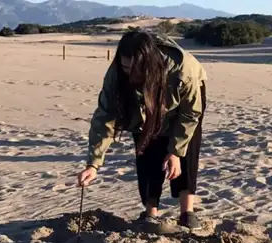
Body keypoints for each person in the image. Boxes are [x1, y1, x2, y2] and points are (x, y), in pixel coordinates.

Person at [77, 30, 207, 229]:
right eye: (126, 67)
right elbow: (104, 117)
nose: (131, 74)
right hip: (141, 102)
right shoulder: (117, 76)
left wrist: (174, 152)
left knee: (186, 148)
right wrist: (93, 164)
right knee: (146, 145)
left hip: (185, 101)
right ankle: (150, 211)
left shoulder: (183, 69)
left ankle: (186, 212)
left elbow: (189, 115)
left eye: (136, 69)